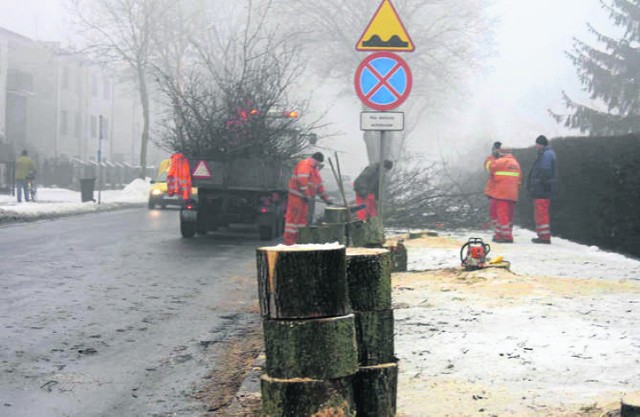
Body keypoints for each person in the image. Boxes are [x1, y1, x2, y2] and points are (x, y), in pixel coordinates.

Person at [284, 152, 333, 245]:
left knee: (302, 221)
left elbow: (319, 187)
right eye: (320, 164)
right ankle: (289, 242)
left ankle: (300, 240)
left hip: (303, 199)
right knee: (293, 221)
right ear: (317, 161)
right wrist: (307, 194)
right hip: (297, 197)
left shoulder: (314, 170)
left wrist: (326, 199)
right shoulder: (305, 164)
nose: (320, 166)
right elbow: (302, 180)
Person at [527, 135, 557, 244]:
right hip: (543, 189)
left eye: (537, 144)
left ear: (541, 144)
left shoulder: (546, 155)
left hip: (542, 190)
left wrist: (538, 183)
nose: (536, 146)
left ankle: (544, 237)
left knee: (541, 213)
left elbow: (544, 171)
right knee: (541, 212)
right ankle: (542, 235)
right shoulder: (547, 153)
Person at [488, 146, 522, 243]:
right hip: (512, 193)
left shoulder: (500, 162)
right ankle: (500, 234)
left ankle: (506, 237)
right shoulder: (516, 163)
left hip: (501, 193)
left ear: (501, 152)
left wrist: (492, 157)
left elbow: (490, 167)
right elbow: (519, 179)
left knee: (501, 215)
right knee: (509, 215)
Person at [484, 142, 502, 229]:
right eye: (495, 149)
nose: (497, 151)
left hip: (502, 190)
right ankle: (496, 227)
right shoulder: (490, 159)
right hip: (494, 189)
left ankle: (499, 228)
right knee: (493, 210)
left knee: (501, 210)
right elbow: (489, 168)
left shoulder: (506, 159)